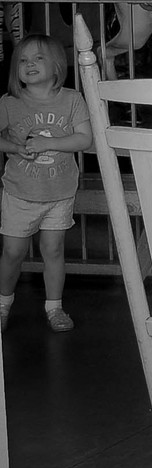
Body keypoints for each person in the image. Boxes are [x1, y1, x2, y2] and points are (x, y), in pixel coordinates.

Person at [0, 35, 93, 333]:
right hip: (20, 191)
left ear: (56, 66)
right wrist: (15, 148)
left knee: (53, 250)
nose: (29, 64)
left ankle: (55, 307)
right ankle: (3, 303)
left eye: (38, 58)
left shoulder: (72, 99)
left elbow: (84, 138)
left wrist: (44, 142)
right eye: (23, 60)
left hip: (59, 191)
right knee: (13, 252)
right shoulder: (10, 102)